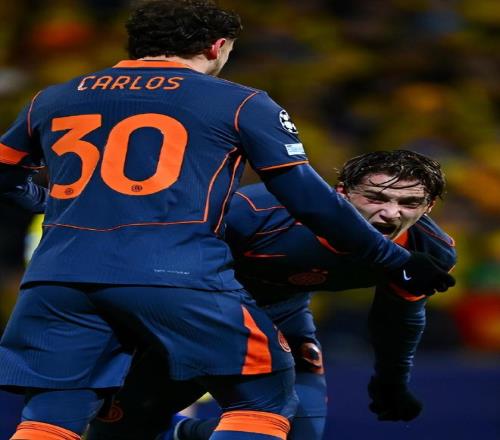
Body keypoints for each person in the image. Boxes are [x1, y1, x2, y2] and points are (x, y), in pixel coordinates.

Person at [0, 0, 453, 438]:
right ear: (217, 47)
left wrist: (46, 201)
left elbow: (4, 175)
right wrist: (393, 260)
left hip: (57, 278)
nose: (391, 212)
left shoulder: (52, 98)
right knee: (263, 403)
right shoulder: (240, 104)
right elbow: (305, 195)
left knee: (50, 418)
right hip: (176, 277)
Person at [85, 150, 457, 440]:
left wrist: (391, 380)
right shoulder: (256, 211)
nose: (391, 213)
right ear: (341, 193)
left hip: (283, 317)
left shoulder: (428, 251)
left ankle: (183, 433)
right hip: (197, 316)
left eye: (410, 203)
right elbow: (156, 263)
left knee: (297, 434)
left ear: (428, 207)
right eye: (376, 197)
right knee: (119, 432)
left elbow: (398, 317)